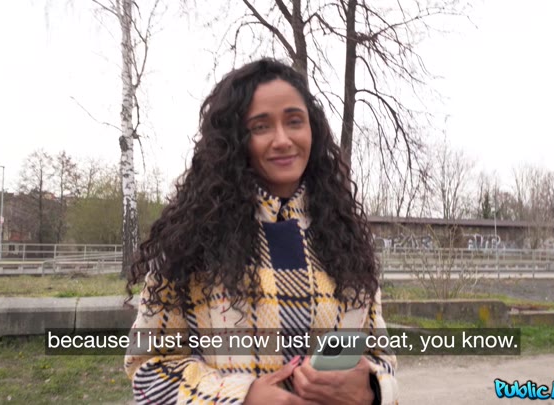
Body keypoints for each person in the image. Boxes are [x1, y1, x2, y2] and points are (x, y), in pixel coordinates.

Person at [124, 58, 398, 404]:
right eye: (260, 126)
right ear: (234, 140)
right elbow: (148, 369)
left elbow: (379, 355)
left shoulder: (347, 239)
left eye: (294, 121)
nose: (282, 140)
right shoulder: (188, 241)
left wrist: (371, 390)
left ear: (312, 130)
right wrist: (242, 397)